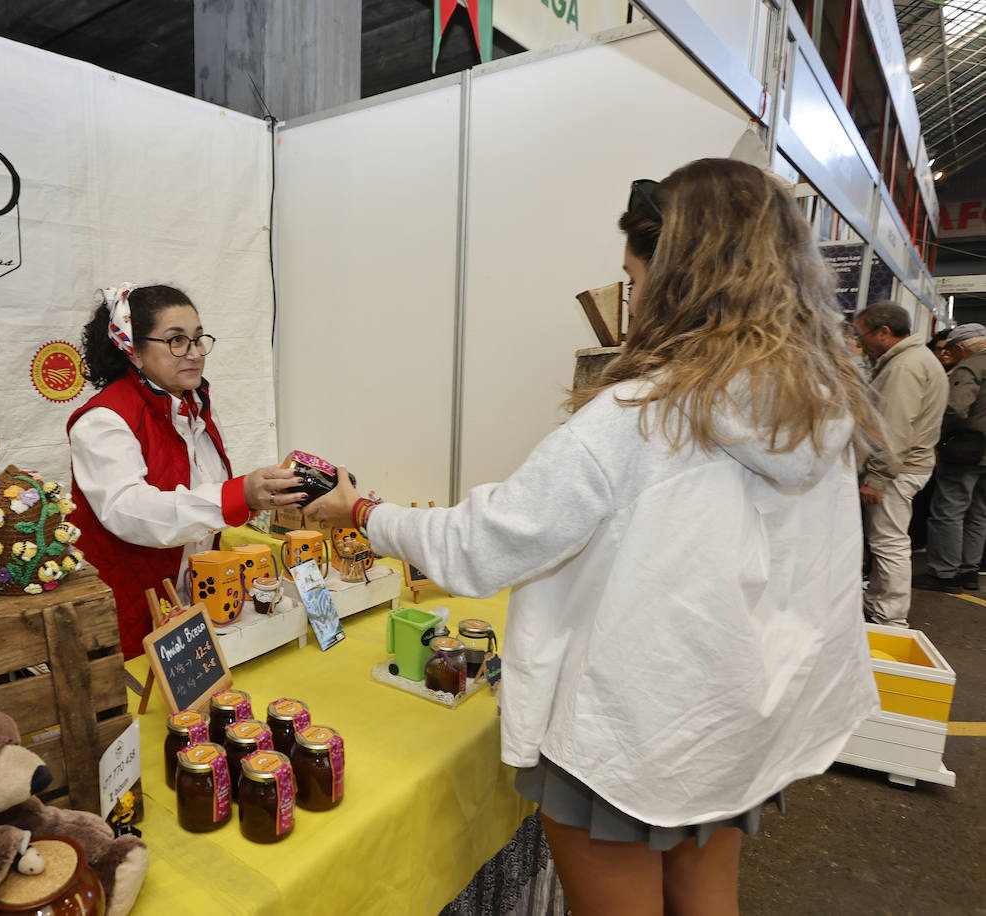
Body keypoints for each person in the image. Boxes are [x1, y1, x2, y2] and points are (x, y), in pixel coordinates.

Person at [305, 159, 880, 916]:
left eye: (633, 280)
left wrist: (362, 512)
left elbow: (483, 545)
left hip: (627, 732)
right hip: (735, 722)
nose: (629, 301)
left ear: (679, 281)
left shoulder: (638, 418)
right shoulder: (820, 414)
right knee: (707, 902)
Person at [67, 284, 301, 657]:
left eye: (197, 340)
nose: (194, 354)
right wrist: (237, 495)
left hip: (191, 602)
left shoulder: (195, 406)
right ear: (136, 351)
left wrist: (269, 492)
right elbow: (130, 512)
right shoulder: (103, 420)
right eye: (177, 341)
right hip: (129, 609)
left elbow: (208, 495)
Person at [854, 303, 948, 625]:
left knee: (888, 542)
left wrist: (876, 478)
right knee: (888, 540)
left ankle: (890, 618)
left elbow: (892, 428)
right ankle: (879, 601)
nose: (860, 342)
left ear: (884, 332)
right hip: (907, 466)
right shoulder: (915, 360)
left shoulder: (904, 367)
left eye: (862, 334)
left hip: (898, 470)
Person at [915, 323, 986, 593]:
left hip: (965, 453)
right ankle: (969, 571)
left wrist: (938, 435)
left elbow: (956, 408)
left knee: (949, 512)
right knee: (979, 514)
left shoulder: (970, 367)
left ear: (959, 348)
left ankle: (945, 574)